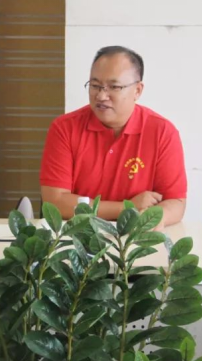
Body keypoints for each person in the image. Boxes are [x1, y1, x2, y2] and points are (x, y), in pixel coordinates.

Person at [40, 45, 187, 226]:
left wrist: (156, 218)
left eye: (114, 87)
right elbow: (55, 202)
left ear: (137, 90)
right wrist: (128, 208)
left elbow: (175, 202)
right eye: (95, 86)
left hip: (136, 234)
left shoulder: (162, 132)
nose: (101, 96)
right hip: (78, 235)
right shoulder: (64, 128)